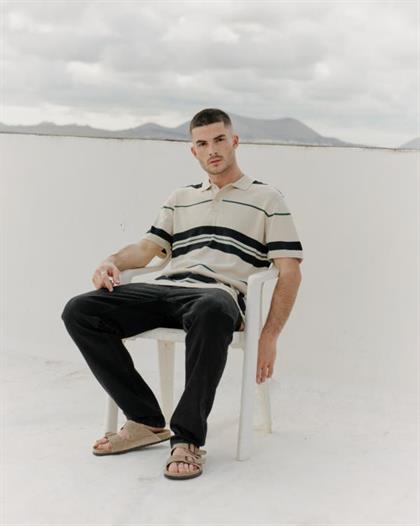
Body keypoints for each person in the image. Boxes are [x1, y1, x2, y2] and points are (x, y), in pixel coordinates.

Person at [61, 108, 304, 480]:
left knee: (212, 307)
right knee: (81, 311)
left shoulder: (267, 198)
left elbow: (289, 271)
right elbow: (146, 250)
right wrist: (111, 260)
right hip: (166, 289)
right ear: (193, 151)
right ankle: (145, 419)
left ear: (234, 141)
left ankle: (187, 439)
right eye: (202, 144)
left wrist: (269, 335)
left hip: (218, 297)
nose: (212, 150)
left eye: (219, 140)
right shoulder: (180, 198)